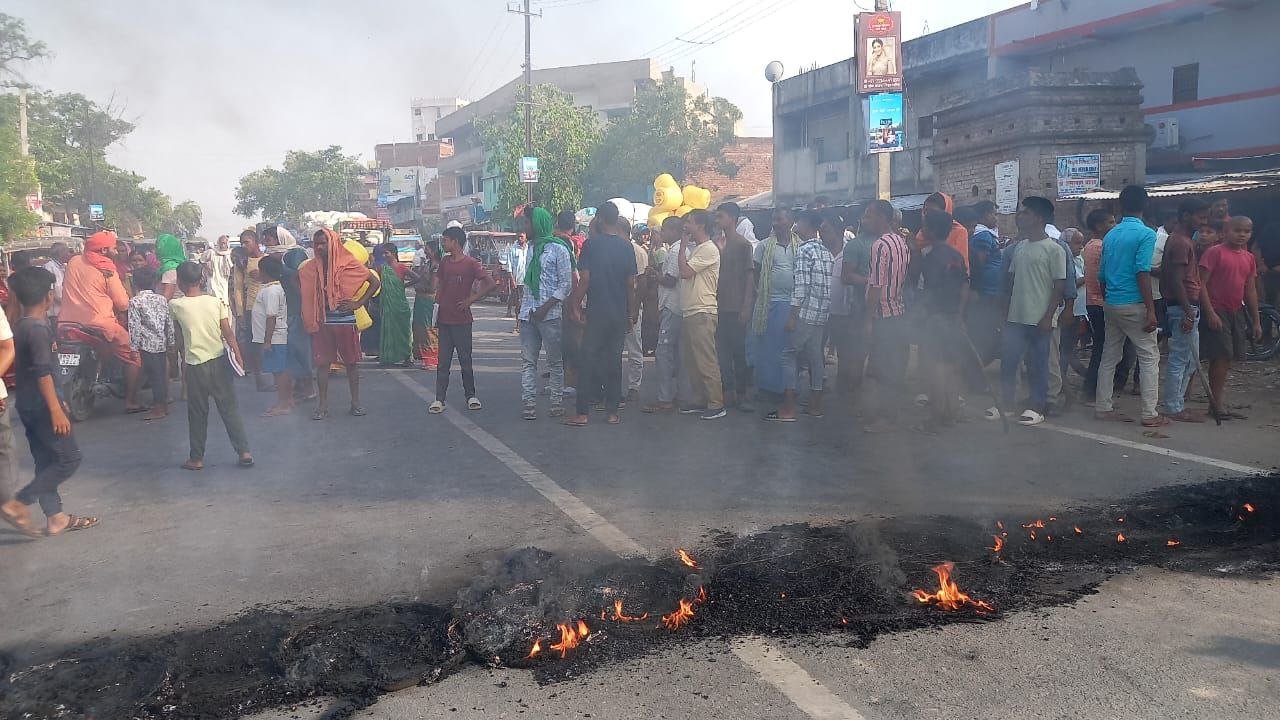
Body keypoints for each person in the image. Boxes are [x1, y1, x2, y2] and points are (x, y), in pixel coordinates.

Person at [7, 266, 94, 535]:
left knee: (45, 459)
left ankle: (55, 516)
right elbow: (43, 372)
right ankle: (19, 502)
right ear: (48, 295)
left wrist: (58, 400)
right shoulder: (37, 330)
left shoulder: (21, 326)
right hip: (41, 406)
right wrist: (55, 408)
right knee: (69, 459)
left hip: (27, 403)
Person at [169, 261, 252, 470]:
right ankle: (244, 451)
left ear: (179, 282)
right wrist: (239, 355)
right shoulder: (215, 302)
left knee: (197, 413)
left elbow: (179, 339)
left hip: (195, 365)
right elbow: (228, 332)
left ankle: (196, 458)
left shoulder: (176, 306)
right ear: (201, 279)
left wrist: (174, 360)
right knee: (229, 409)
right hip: (219, 361)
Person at [563, 201, 636, 427]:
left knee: (588, 360)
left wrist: (574, 303)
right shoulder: (627, 247)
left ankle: (582, 413)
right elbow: (631, 283)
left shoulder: (592, 245)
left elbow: (585, 280)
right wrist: (631, 314)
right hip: (618, 312)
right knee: (614, 361)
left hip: (597, 312)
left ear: (600, 219)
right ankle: (612, 412)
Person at [1095, 185, 1163, 426]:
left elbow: (1102, 275)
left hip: (1112, 302)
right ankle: (1149, 413)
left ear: (1120, 206)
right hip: (1134, 303)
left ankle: (1103, 407)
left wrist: (1108, 299)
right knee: (1148, 357)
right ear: (1146, 205)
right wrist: (1151, 310)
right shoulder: (1146, 234)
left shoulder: (1111, 234)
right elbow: (1142, 272)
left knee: (1109, 356)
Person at [58, 230, 144, 413]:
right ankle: (131, 402)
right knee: (133, 356)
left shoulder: (74, 261)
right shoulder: (107, 270)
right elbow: (122, 303)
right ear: (104, 250)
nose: (116, 250)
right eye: (113, 247)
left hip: (66, 323)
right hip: (99, 325)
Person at [999, 197, 1067, 426]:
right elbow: (1011, 281)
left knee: (1039, 365)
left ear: (1038, 218)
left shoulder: (1054, 250)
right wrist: (1005, 309)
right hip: (1015, 317)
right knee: (1009, 362)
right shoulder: (1019, 248)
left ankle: (1037, 407)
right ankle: (1006, 405)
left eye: (1025, 213)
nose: (1020, 216)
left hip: (1040, 319)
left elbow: (1059, 286)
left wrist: (1049, 316)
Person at [299, 228, 380, 420]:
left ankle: (355, 403)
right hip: (323, 321)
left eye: (323, 243)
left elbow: (374, 282)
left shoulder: (348, 262)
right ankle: (322, 405)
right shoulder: (310, 267)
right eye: (316, 243)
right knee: (322, 364)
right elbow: (299, 280)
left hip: (345, 320)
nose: (319, 247)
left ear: (333, 243)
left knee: (351, 363)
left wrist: (358, 303)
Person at [909, 210, 970, 433]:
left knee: (935, 368)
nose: (922, 229)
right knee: (952, 366)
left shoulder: (931, 257)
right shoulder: (956, 255)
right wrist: (960, 315)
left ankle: (936, 418)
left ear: (931, 230)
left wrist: (920, 313)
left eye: (924, 225)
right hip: (953, 318)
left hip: (935, 319)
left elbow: (929, 291)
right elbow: (965, 287)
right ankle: (951, 413)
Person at [1199, 216, 1262, 420]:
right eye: (1237, 230)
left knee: (1227, 358)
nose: (1242, 234)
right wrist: (1209, 312)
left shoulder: (1249, 257)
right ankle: (1216, 403)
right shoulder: (1214, 252)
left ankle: (1216, 401)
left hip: (1237, 311)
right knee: (1220, 357)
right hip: (1218, 310)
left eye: (1247, 231)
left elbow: (1250, 290)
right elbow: (1201, 285)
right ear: (1225, 231)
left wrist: (1256, 320)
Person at [429, 226, 495, 414]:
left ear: (455, 242)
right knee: (443, 362)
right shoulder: (444, 262)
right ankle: (439, 399)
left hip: (463, 320)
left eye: (445, 240)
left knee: (465, 360)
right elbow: (438, 285)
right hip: (444, 319)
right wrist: (436, 305)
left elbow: (490, 283)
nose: (443, 244)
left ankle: (470, 395)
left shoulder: (471, 264)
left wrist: (471, 299)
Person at [1158, 197, 1211, 423]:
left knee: (1188, 359)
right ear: (1186, 215)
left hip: (1184, 305)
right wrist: (1188, 310)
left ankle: (1176, 403)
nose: (1204, 221)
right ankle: (1173, 406)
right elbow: (1176, 279)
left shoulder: (1182, 240)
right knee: (1181, 358)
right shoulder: (1180, 242)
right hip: (1183, 306)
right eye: (1200, 216)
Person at [518, 207, 574, 420]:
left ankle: (556, 403)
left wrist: (545, 307)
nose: (524, 227)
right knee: (528, 361)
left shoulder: (559, 249)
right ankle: (529, 403)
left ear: (538, 224)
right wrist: (524, 310)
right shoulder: (531, 248)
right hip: (528, 314)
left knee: (555, 362)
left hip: (549, 315)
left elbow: (566, 285)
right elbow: (527, 283)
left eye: (527, 223)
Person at [860, 200, 911, 433]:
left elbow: (876, 286)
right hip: (898, 312)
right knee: (893, 366)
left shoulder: (880, 245)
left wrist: (868, 319)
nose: (864, 221)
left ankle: (884, 418)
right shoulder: (901, 242)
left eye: (868, 216)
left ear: (881, 218)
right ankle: (891, 414)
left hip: (882, 315)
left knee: (881, 369)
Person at [750, 208, 800, 421]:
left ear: (790, 222)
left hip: (794, 305)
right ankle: (769, 389)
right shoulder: (763, 246)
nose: (776, 223)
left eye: (780, 219)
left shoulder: (802, 246)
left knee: (788, 350)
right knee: (769, 349)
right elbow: (756, 272)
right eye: (774, 220)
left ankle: (786, 390)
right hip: (770, 303)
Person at [677, 209, 725, 420]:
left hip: (702, 310)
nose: (685, 226)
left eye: (689, 222)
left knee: (705, 360)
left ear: (701, 226)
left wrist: (681, 247)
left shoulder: (708, 249)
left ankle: (716, 403)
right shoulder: (698, 249)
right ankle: (700, 399)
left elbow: (685, 272)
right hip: (691, 310)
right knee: (692, 360)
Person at [788, 208, 835, 418]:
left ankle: (787, 405)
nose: (796, 225)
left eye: (798, 221)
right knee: (816, 357)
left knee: (788, 354)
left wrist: (791, 316)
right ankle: (816, 405)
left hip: (805, 313)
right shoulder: (826, 251)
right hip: (822, 313)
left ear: (807, 224)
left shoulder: (804, 250)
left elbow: (801, 286)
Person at [642, 216, 691, 413]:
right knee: (677, 354)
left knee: (664, 353)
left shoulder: (675, 251)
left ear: (672, 230)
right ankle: (680, 395)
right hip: (678, 306)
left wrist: (655, 275)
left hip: (672, 306)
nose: (661, 234)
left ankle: (665, 398)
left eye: (664, 230)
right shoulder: (680, 249)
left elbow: (670, 280)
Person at [714, 203, 755, 411]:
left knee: (739, 353)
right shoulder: (715, 243)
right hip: (718, 306)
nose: (717, 220)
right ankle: (726, 392)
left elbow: (750, 277)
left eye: (720, 216)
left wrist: (746, 305)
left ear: (732, 218)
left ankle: (742, 393)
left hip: (736, 306)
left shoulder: (742, 244)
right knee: (721, 353)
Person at [127, 267, 174, 422]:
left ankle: (159, 409)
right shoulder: (161, 299)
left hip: (146, 345)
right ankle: (163, 405)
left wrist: (133, 347)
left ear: (135, 283)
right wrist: (171, 341)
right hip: (161, 343)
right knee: (160, 375)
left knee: (154, 378)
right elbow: (169, 322)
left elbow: (134, 326)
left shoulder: (135, 301)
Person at [230, 228, 270, 391]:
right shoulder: (242, 263)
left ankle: (277, 378)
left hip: (271, 307)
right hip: (252, 308)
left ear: (256, 242)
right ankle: (259, 379)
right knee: (256, 346)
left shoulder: (268, 260)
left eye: (247, 242)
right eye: (242, 243)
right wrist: (240, 314)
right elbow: (238, 289)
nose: (244, 246)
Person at [253, 255, 293, 416]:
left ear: (265, 272)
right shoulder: (274, 288)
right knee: (280, 370)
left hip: (274, 338)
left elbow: (271, 316)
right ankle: (286, 400)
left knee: (279, 371)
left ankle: (283, 404)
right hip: (275, 337)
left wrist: (267, 341)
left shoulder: (271, 291)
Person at [280, 245, 316, 404]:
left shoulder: (289, 275)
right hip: (299, 317)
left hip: (295, 317)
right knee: (300, 353)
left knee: (299, 354)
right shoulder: (306, 274)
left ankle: (307, 388)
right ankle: (302, 387)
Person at [374, 242, 413, 367]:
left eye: (386, 253)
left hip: (400, 304)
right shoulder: (381, 268)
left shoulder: (402, 267)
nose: (384, 255)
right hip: (387, 305)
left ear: (394, 254)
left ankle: (407, 356)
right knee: (388, 329)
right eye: (383, 253)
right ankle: (389, 356)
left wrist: (403, 285)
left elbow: (417, 277)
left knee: (403, 331)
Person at [408, 241, 441, 370]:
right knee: (419, 328)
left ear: (432, 251)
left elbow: (432, 287)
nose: (425, 251)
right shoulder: (427, 264)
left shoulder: (436, 266)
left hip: (428, 300)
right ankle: (423, 355)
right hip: (421, 300)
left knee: (428, 329)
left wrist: (420, 286)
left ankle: (432, 359)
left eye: (426, 249)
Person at [42, 242, 71, 321]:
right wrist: (65, 303)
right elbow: (49, 291)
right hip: (54, 313)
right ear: (60, 253)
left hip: (65, 311)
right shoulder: (48, 267)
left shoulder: (65, 267)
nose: (69, 254)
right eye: (67, 251)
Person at [506, 231, 529, 323]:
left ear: (526, 237)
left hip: (527, 282)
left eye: (522, 237)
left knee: (526, 303)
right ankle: (517, 323)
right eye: (519, 237)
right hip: (517, 281)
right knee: (518, 303)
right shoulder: (513, 249)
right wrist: (512, 281)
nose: (520, 238)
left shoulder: (530, 248)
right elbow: (509, 267)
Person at [205, 235, 234, 306]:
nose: (223, 245)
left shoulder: (230, 254)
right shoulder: (212, 252)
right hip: (214, 280)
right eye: (221, 243)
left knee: (225, 303)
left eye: (224, 243)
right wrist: (208, 269)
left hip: (225, 282)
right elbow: (202, 261)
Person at [156, 233, 186, 300]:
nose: (158, 248)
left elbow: (168, 295)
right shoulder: (179, 264)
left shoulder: (170, 268)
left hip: (171, 305)